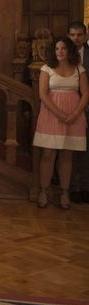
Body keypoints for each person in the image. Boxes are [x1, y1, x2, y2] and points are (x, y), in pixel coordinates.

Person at [33, 36, 89, 210]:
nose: (60, 52)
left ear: (69, 50)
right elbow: (42, 94)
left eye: (63, 48)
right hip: (51, 115)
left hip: (74, 117)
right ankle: (44, 191)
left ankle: (65, 192)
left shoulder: (79, 69)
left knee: (67, 156)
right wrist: (59, 113)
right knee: (48, 155)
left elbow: (86, 94)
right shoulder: (46, 68)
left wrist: (74, 114)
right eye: (57, 49)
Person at [67, 22, 89, 204]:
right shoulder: (62, 54)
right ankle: (73, 187)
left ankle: (85, 186)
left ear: (85, 35)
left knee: (86, 149)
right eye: (73, 35)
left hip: (87, 106)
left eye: (79, 35)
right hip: (68, 108)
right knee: (71, 148)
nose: (76, 38)